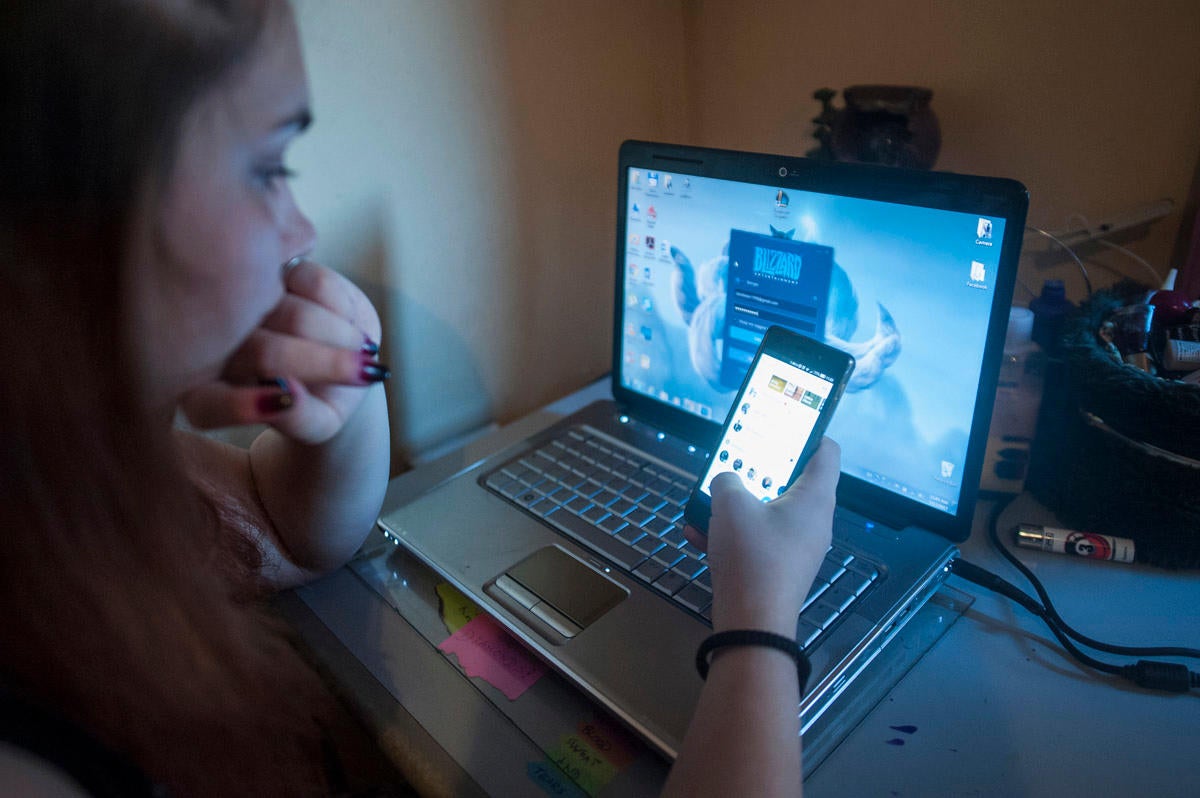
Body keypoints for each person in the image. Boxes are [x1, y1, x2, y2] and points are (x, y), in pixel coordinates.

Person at [0, 1, 839, 795]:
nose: (302, 232)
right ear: (66, 224)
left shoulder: (79, 458)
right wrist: (761, 620)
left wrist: (351, 398)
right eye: (268, 168)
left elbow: (284, 533)